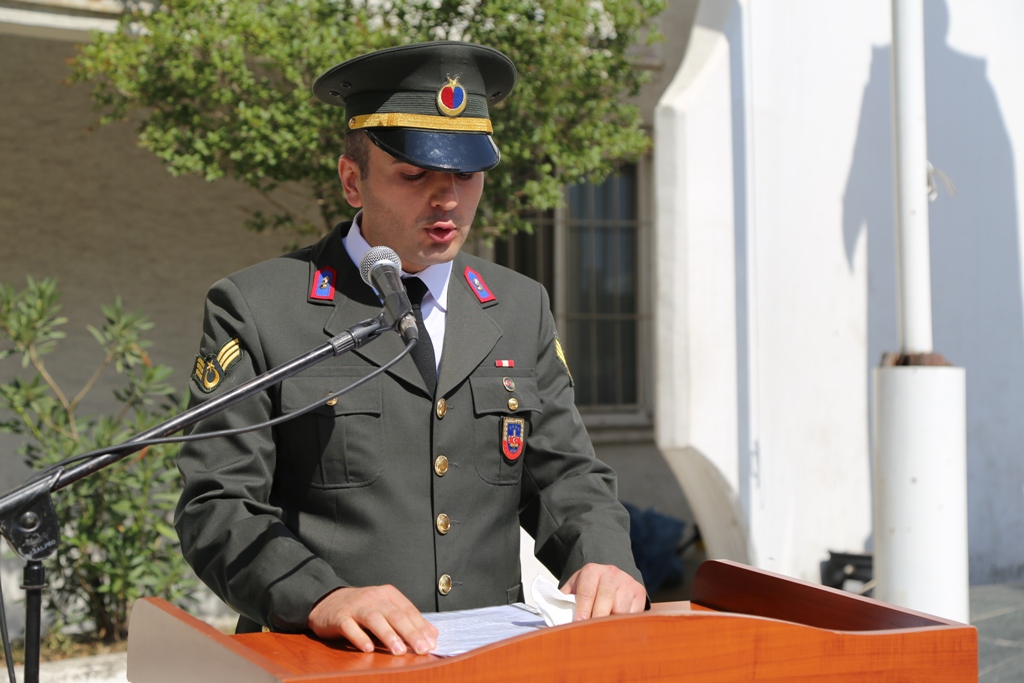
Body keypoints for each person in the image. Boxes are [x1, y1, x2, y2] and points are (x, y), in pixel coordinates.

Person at [174, 41, 646, 658]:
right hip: (332, 660)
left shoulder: (517, 305)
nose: (446, 199)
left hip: (489, 659)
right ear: (353, 181)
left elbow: (565, 474)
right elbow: (216, 504)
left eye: (465, 176)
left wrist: (603, 559)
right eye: (415, 175)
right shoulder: (260, 307)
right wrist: (320, 596)